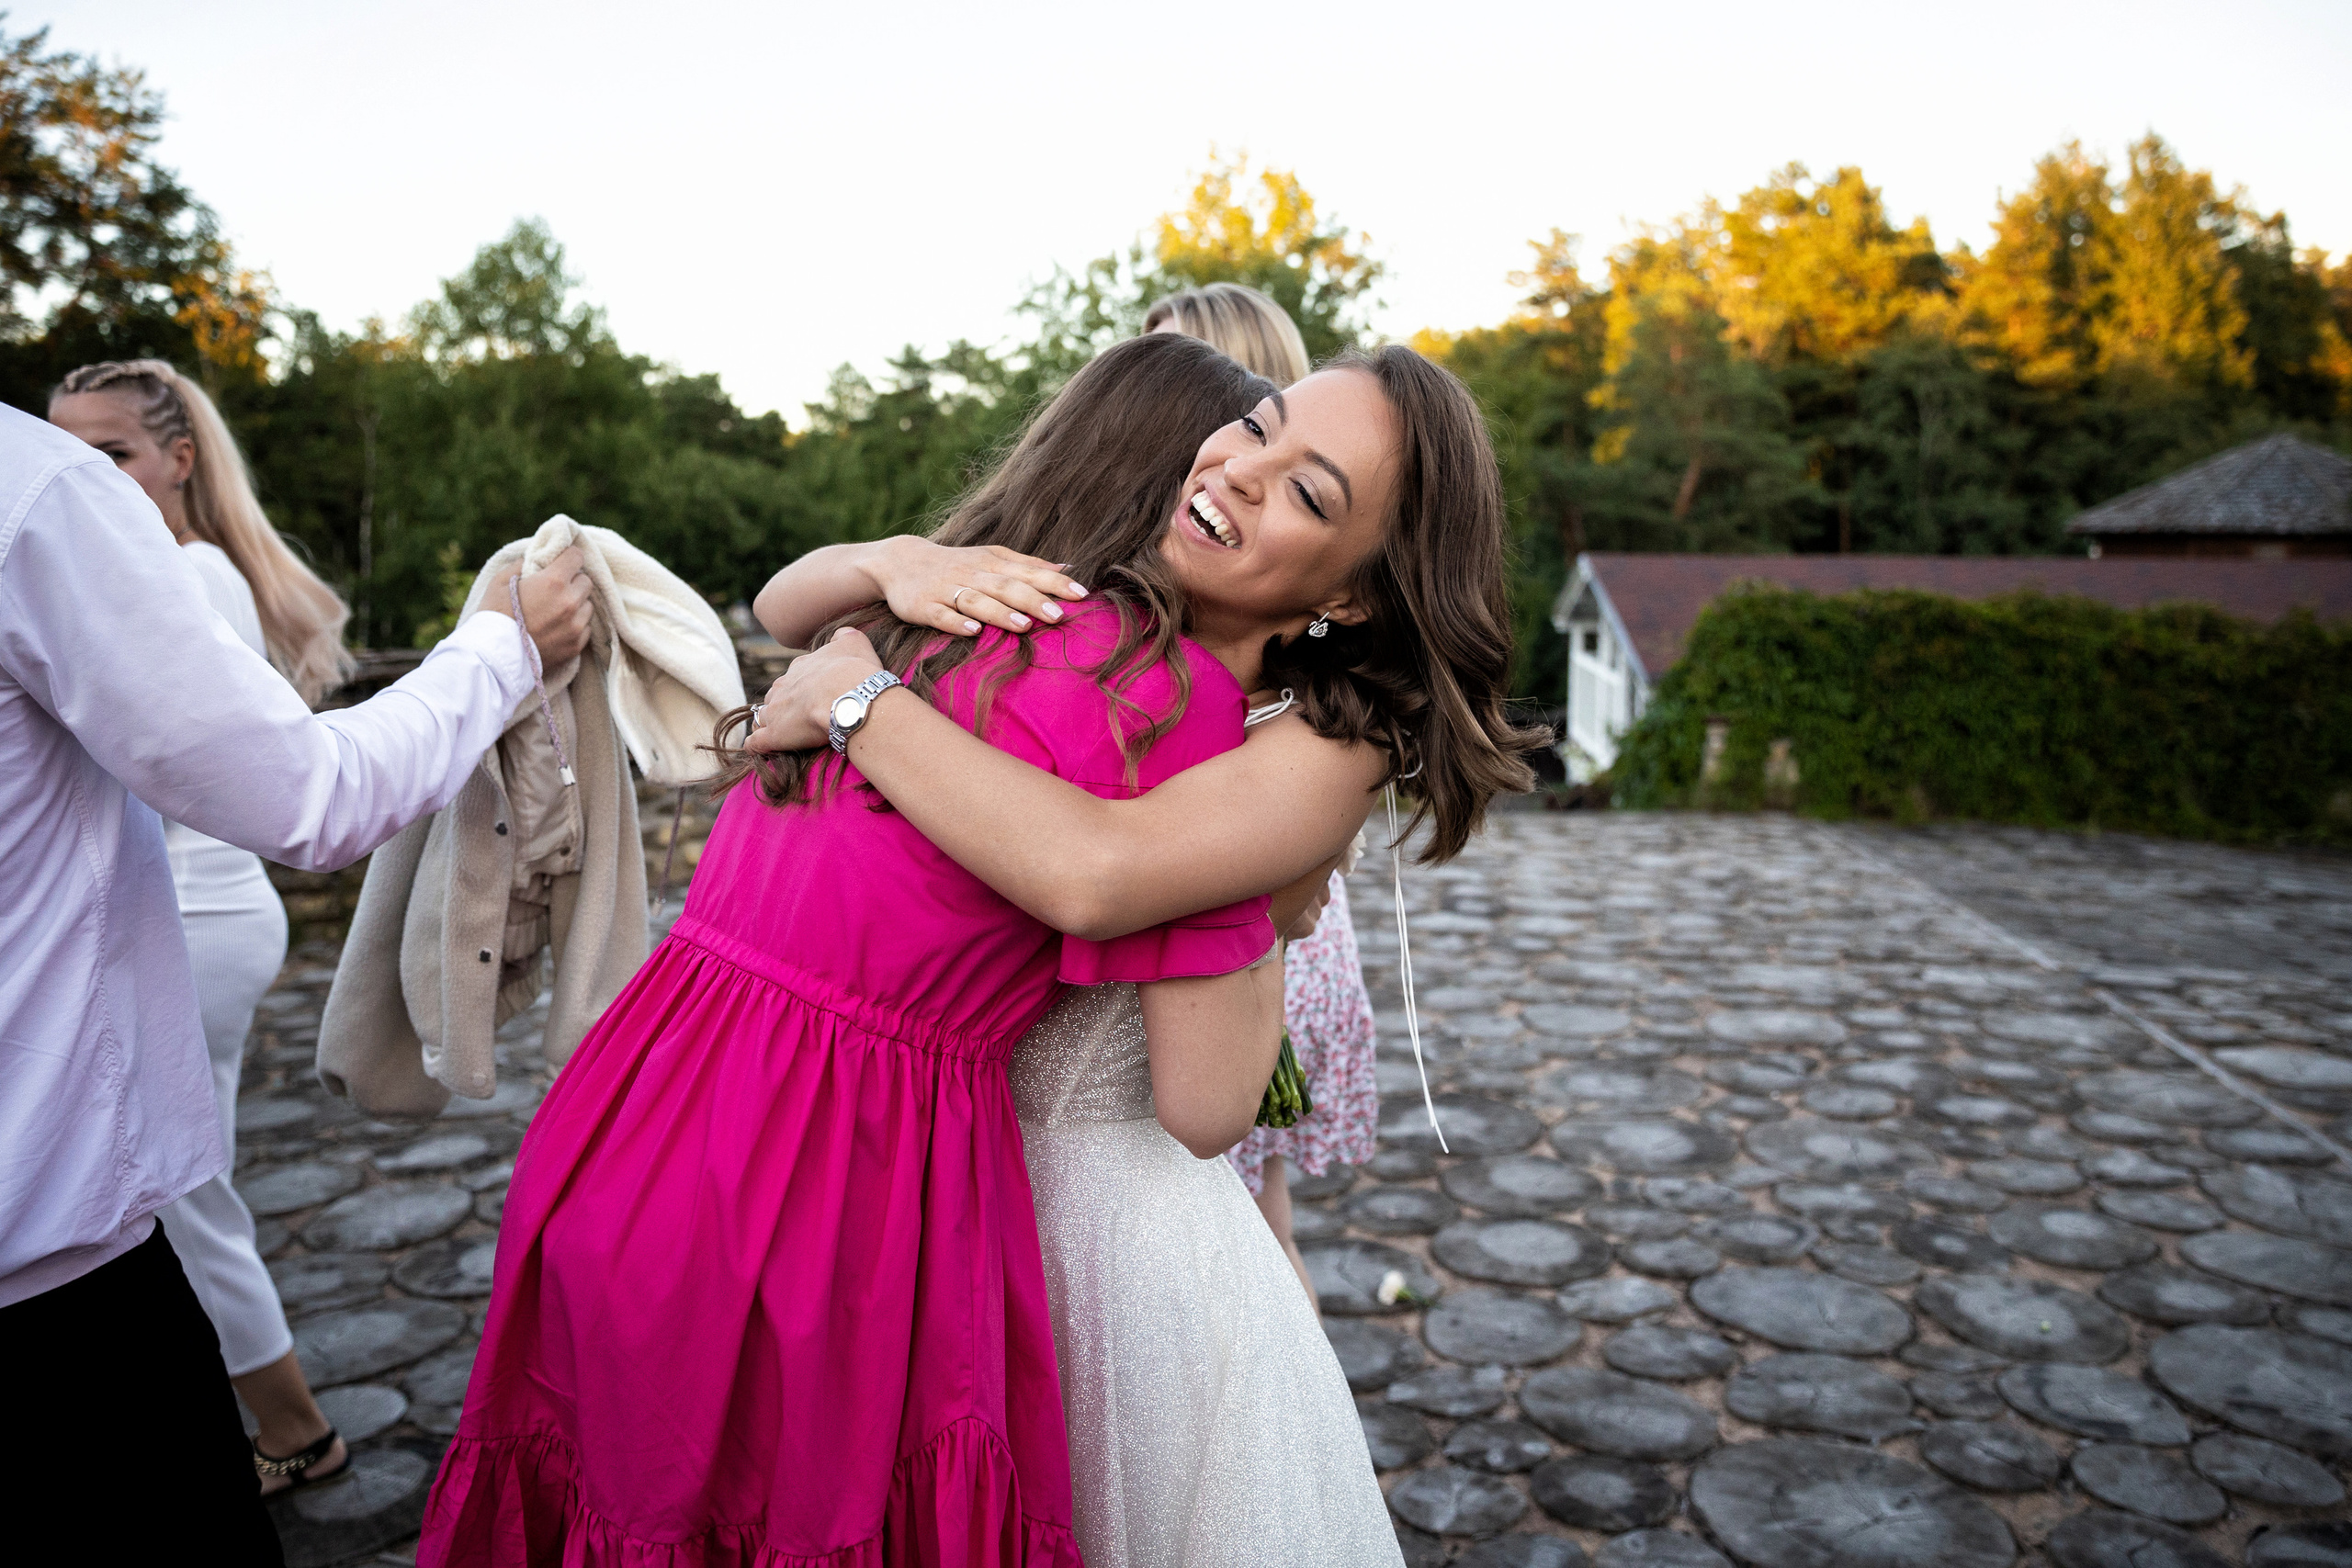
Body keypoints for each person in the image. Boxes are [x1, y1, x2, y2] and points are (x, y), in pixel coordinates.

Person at [422, 334, 1288, 1568]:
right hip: (832, 1163)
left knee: (627, 1492)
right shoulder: (1169, 696)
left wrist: (887, 560)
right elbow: (1210, 1102)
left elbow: (779, 603)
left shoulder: (905, 615)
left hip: (637, 1105)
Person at [744, 344, 1541, 1566]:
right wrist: (893, 564)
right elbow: (783, 606)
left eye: (1308, 490)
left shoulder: (1317, 743)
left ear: (1353, 597)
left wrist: (855, 701)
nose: (1242, 470)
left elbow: (1104, 896)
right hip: (927, 1200)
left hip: (1105, 1259)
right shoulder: (1078, 637)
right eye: (1257, 426)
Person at [0, 393, 592, 1562]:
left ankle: (291, 1423)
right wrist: (502, 646)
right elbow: (307, 794)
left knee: (205, 1196)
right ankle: (292, 1421)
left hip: (185, 950)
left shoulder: (66, 507)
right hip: (45, 1274)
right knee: (203, 1203)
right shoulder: (36, 500)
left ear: (180, 458)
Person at [50, 358, 358, 1494]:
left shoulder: (180, 574)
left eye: (112, 454)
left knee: (173, 1194)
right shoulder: (175, 569)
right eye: (66, 452)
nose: (85, 477)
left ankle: (295, 1430)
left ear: (179, 460)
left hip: (194, 916)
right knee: (170, 1187)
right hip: (197, 913)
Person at [1144, 282, 1382, 1302]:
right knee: (1254, 1225)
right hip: (1256, 940)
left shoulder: (1251, 633)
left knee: (1226, 1233)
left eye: (1170, 375)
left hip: (1254, 947)